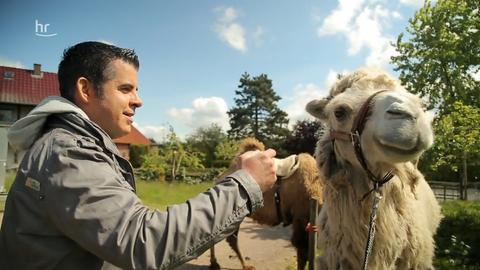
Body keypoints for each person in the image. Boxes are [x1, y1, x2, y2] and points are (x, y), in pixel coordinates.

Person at [0, 41, 277, 270]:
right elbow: (141, 241)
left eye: (137, 90)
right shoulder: (68, 154)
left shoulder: (74, 145)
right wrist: (245, 184)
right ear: (85, 89)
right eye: (125, 89)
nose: (138, 100)